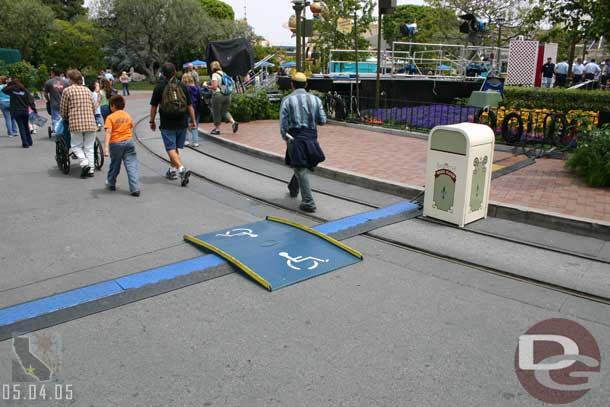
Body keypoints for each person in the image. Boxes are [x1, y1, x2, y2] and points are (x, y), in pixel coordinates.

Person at [279, 72, 327, 213]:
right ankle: (293, 188)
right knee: (302, 165)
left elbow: (283, 125)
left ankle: (308, 202)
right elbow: (323, 121)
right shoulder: (316, 100)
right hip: (311, 136)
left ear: (292, 85)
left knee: (300, 166)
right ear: (306, 84)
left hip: (295, 137)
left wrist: (286, 138)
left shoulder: (287, 100)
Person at [149, 62, 196, 183]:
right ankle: (172, 170)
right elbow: (189, 105)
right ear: (175, 72)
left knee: (170, 147)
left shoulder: (159, 87)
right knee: (175, 148)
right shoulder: (182, 85)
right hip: (182, 121)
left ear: (163, 74)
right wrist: (193, 121)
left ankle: (181, 169)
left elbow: (154, 106)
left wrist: (152, 121)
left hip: (167, 121)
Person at [60, 69, 98, 178]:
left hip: (76, 123)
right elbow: (94, 107)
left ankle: (84, 163)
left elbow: (63, 109)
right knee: (89, 147)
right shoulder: (87, 91)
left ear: (71, 79)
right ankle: (91, 169)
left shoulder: (67, 91)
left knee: (76, 146)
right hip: (90, 122)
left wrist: (65, 117)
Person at [103, 95, 140, 196]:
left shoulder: (110, 117)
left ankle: (111, 183)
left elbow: (108, 132)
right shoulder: (127, 115)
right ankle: (135, 188)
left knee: (115, 164)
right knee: (132, 165)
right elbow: (131, 126)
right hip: (129, 142)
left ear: (113, 106)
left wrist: (105, 148)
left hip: (116, 144)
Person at [1, 79, 36, 148]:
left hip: (16, 111)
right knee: (26, 126)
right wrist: (33, 109)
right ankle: (30, 141)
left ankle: (25, 143)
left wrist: (9, 84)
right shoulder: (25, 90)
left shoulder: (12, 91)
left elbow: (3, 90)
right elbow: (31, 100)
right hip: (25, 110)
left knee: (21, 127)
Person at [208, 60, 238, 135]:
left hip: (218, 95)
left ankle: (217, 129)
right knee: (225, 111)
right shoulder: (224, 73)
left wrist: (207, 86)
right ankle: (233, 122)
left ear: (212, 67)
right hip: (227, 95)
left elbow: (214, 87)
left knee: (216, 112)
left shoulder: (214, 74)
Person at [181, 72, 200, 147]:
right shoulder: (197, 87)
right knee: (195, 125)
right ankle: (195, 141)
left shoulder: (184, 89)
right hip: (196, 109)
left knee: (185, 125)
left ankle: (186, 140)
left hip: (187, 109)